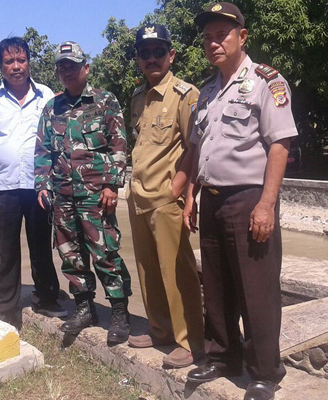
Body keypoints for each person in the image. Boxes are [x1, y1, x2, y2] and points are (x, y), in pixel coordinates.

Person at [183, 3, 298, 400]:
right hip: (211, 199)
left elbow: (280, 144)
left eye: (222, 35)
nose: (213, 43)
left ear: (241, 37)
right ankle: (221, 355)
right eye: (208, 37)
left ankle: (265, 370)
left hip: (250, 197)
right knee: (215, 285)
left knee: (256, 289)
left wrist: (266, 204)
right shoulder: (208, 90)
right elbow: (199, 148)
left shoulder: (267, 82)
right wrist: (190, 198)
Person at [0, 37, 67, 330]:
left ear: (29, 62)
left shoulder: (45, 95)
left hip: (38, 186)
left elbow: (54, 139)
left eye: (21, 60)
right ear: (1, 66)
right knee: (3, 250)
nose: (16, 66)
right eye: (9, 61)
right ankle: (1, 307)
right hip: (2, 185)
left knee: (41, 246)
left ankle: (46, 298)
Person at [34, 41, 132, 345]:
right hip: (62, 195)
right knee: (70, 255)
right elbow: (42, 149)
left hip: (95, 194)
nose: (66, 71)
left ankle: (119, 313)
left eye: (72, 66)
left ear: (85, 68)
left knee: (105, 252)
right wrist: (41, 184)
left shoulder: (104, 101)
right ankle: (84, 307)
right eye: (61, 66)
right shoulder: (53, 107)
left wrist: (111, 184)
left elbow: (119, 144)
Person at [126, 24, 205, 369]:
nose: (152, 58)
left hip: (166, 199)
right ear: (139, 59)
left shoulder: (186, 95)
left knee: (178, 273)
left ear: (171, 55)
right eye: (145, 53)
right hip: (138, 197)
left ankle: (189, 342)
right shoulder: (137, 99)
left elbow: (195, 147)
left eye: (159, 51)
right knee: (147, 270)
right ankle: (159, 329)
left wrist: (180, 190)